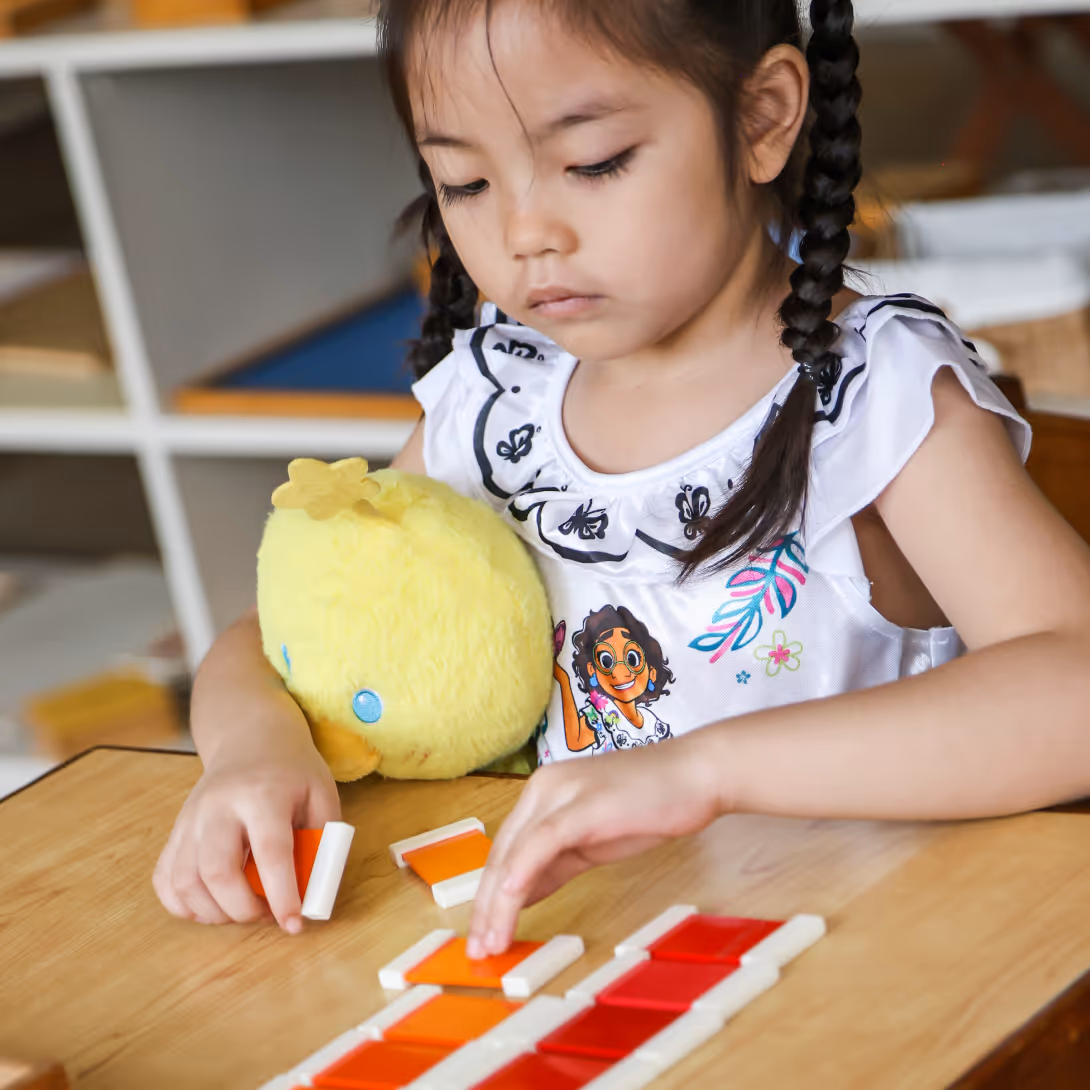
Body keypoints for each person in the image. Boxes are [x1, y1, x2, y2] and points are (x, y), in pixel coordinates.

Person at [153, 0, 1090, 958]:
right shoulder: (496, 407)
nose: (526, 233)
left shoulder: (868, 392)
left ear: (764, 115)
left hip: (870, 966)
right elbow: (281, 639)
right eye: (466, 182)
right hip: (597, 957)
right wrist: (253, 750)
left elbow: (1076, 687)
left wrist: (702, 772)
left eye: (594, 163)